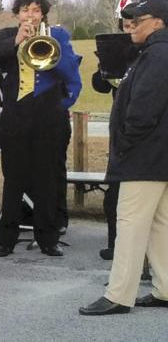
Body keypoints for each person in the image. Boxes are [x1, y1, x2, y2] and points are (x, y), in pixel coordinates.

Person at [80, 0, 168, 315]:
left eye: (138, 20)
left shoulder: (157, 55)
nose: (131, 25)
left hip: (145, 155)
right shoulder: (152, 52)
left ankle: (118, 294)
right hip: (157, 155)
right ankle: (166, 288)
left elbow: (144, 108)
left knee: (129, 225)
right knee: (161, 224)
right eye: (129, 20)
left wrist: (125, 143)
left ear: (158, 22)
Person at [0, 0, 82, 258]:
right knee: (13, 178)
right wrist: (17, 41)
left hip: (47, 114)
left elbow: (70, 72)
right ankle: (6, 238)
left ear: (43, 13)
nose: (31, 15)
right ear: (17, 14)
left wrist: (50, 48)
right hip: (16, 114)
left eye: (36, 10)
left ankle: (47, 238)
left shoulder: (58, 35)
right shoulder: (5, 36)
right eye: (26, 10)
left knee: (46, 178)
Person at [91, 17, 137, 260]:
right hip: (119, 129)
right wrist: (104, 65)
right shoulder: (117, 52)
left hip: (141, 128)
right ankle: (114, 243)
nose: (129, 31)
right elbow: (99, 86)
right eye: (126, 27)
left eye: (133, 26)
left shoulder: (148, 55)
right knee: (115, 193)